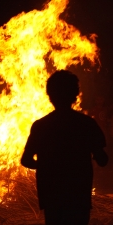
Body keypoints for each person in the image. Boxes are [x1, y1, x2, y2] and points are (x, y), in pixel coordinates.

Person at [21, 70, 108, 225]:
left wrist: (45, 165)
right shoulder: (87, 124)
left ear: (50, 96)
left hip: (52, 196)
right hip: (78, 195)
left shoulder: (40, 126)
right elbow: (102, 160)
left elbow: (26, 160)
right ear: (75, 95)